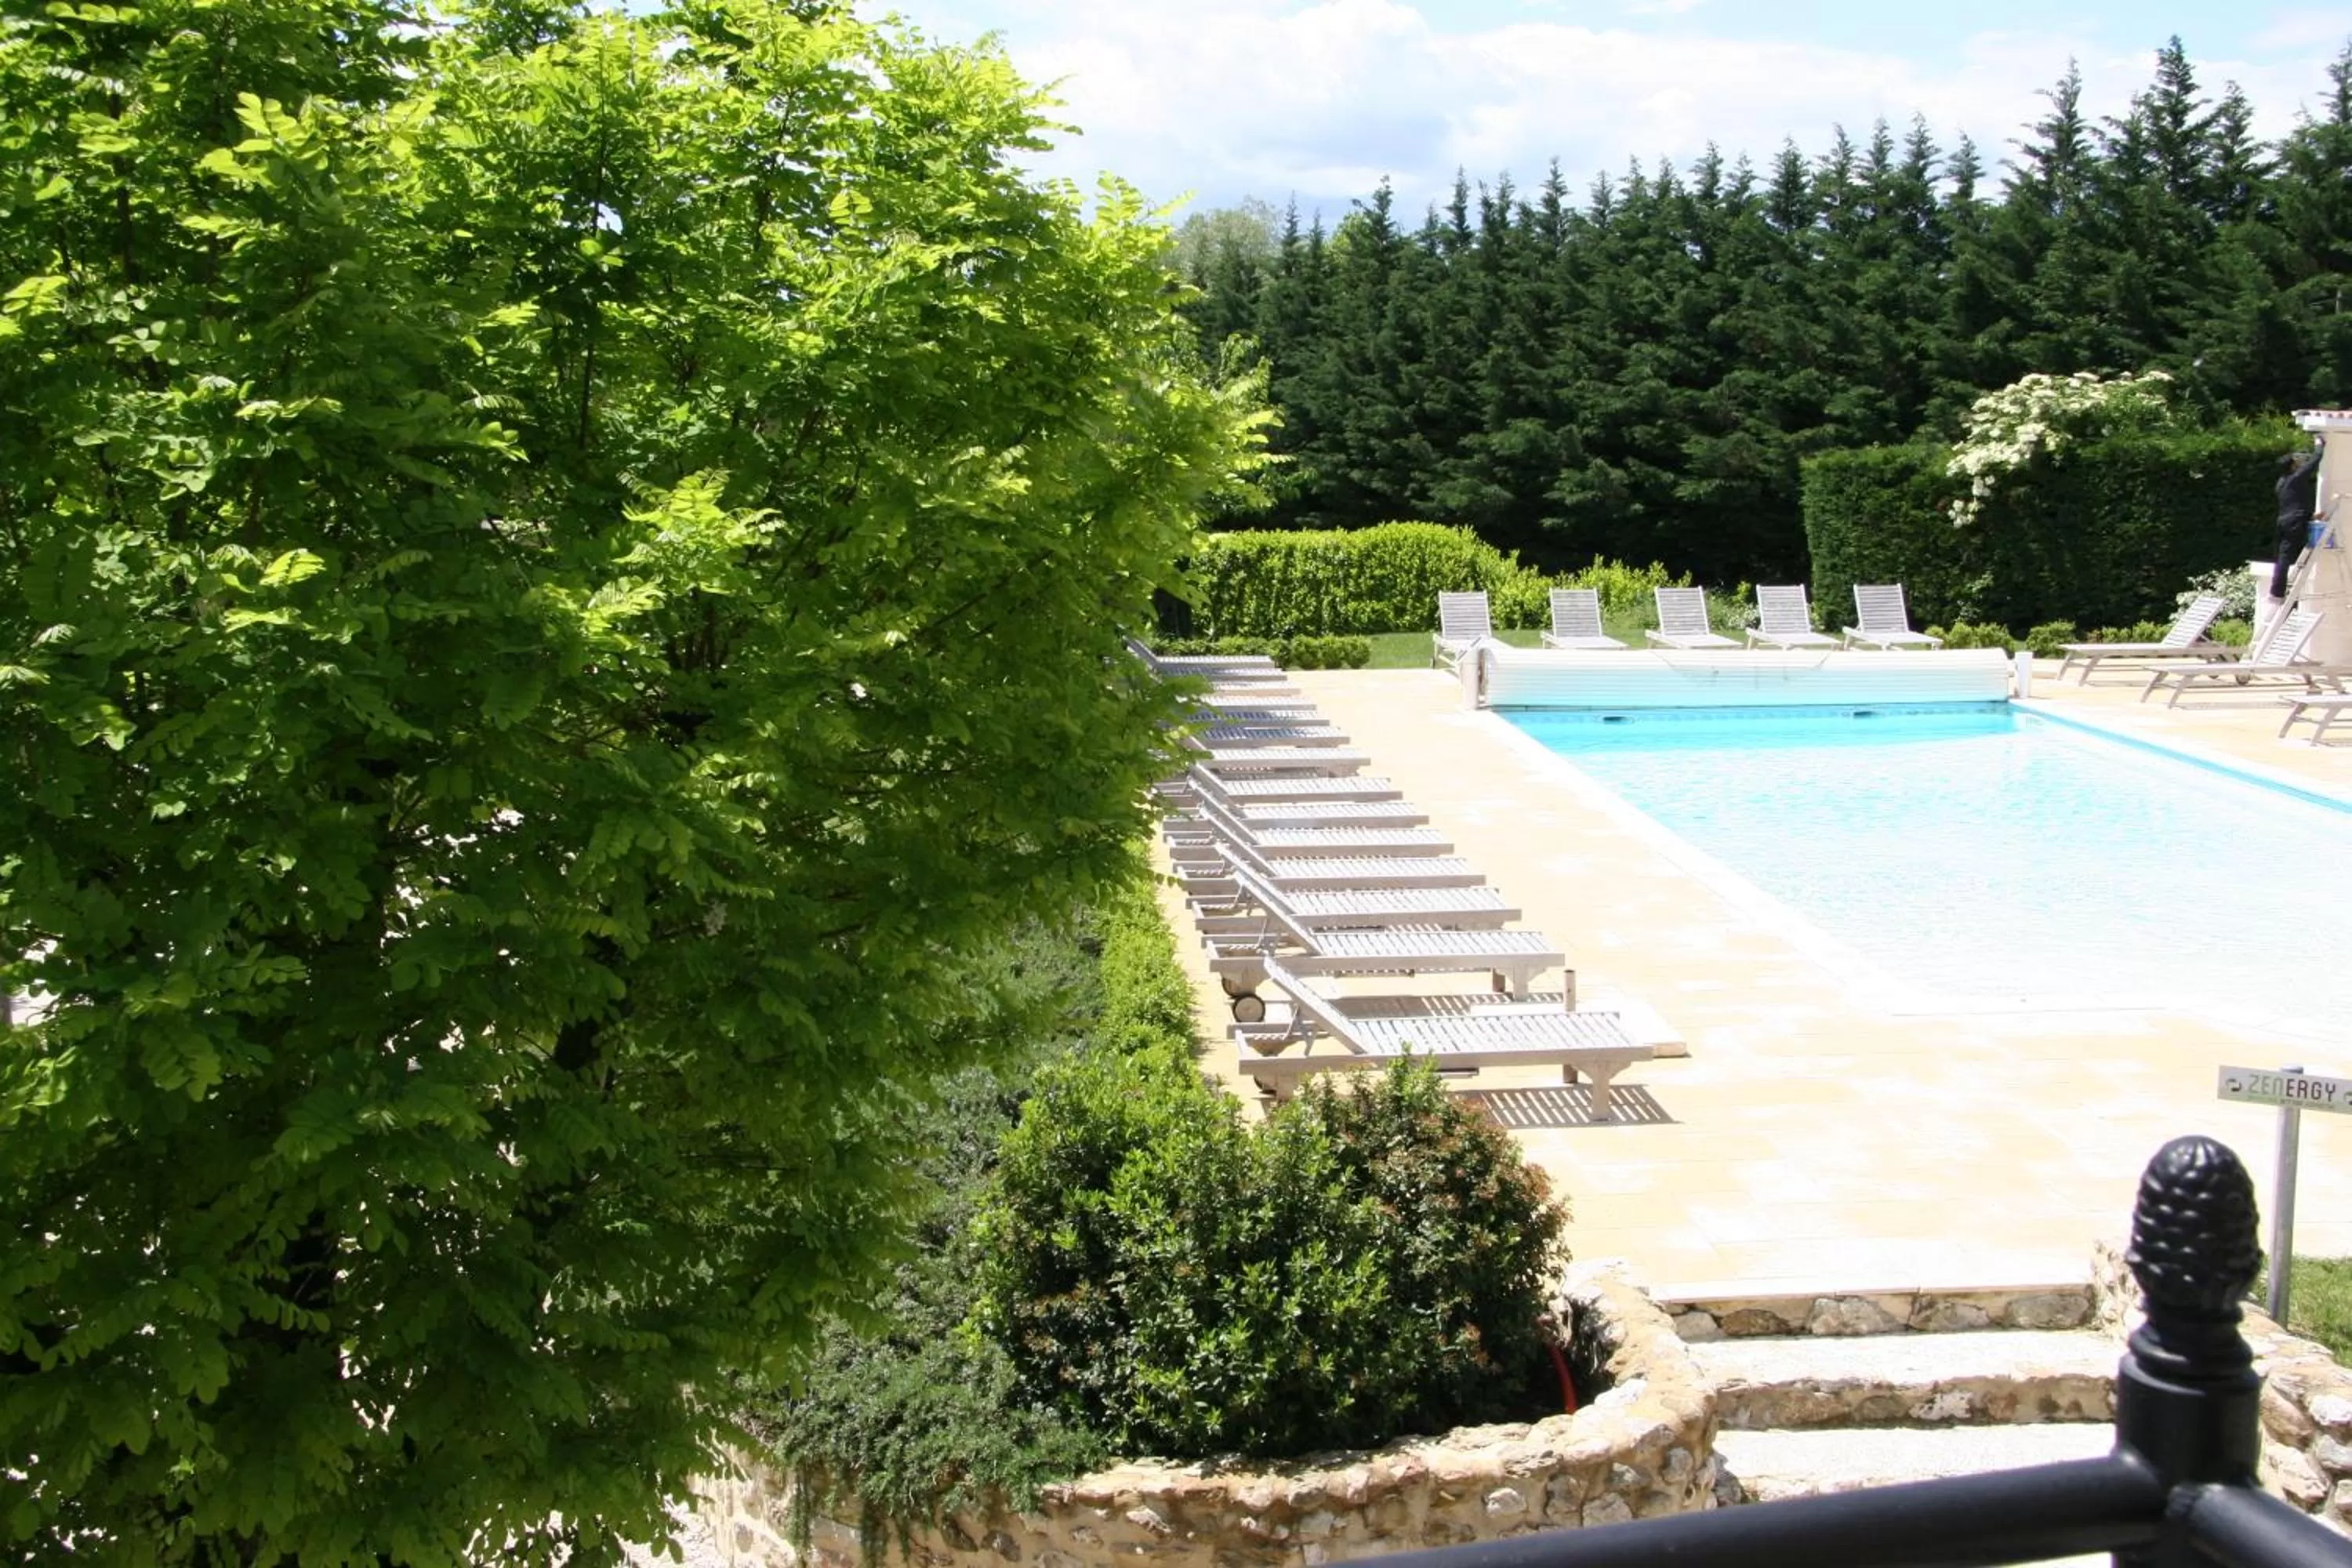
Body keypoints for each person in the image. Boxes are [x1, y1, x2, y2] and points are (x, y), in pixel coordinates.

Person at [2272, 440, 2326, 600]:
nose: (2299, 464)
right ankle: (2278, 593)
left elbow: (2292, 503)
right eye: (2296, 462)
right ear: (2292, 466)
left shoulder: (2281, 483)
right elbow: (2314, 462)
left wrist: (2310, 516)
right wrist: (2319, 445)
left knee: (2283, 556)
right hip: (2295, 522)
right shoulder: (2295, 478)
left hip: (2284, 521)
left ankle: (2276, 592)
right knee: (2290, 556)